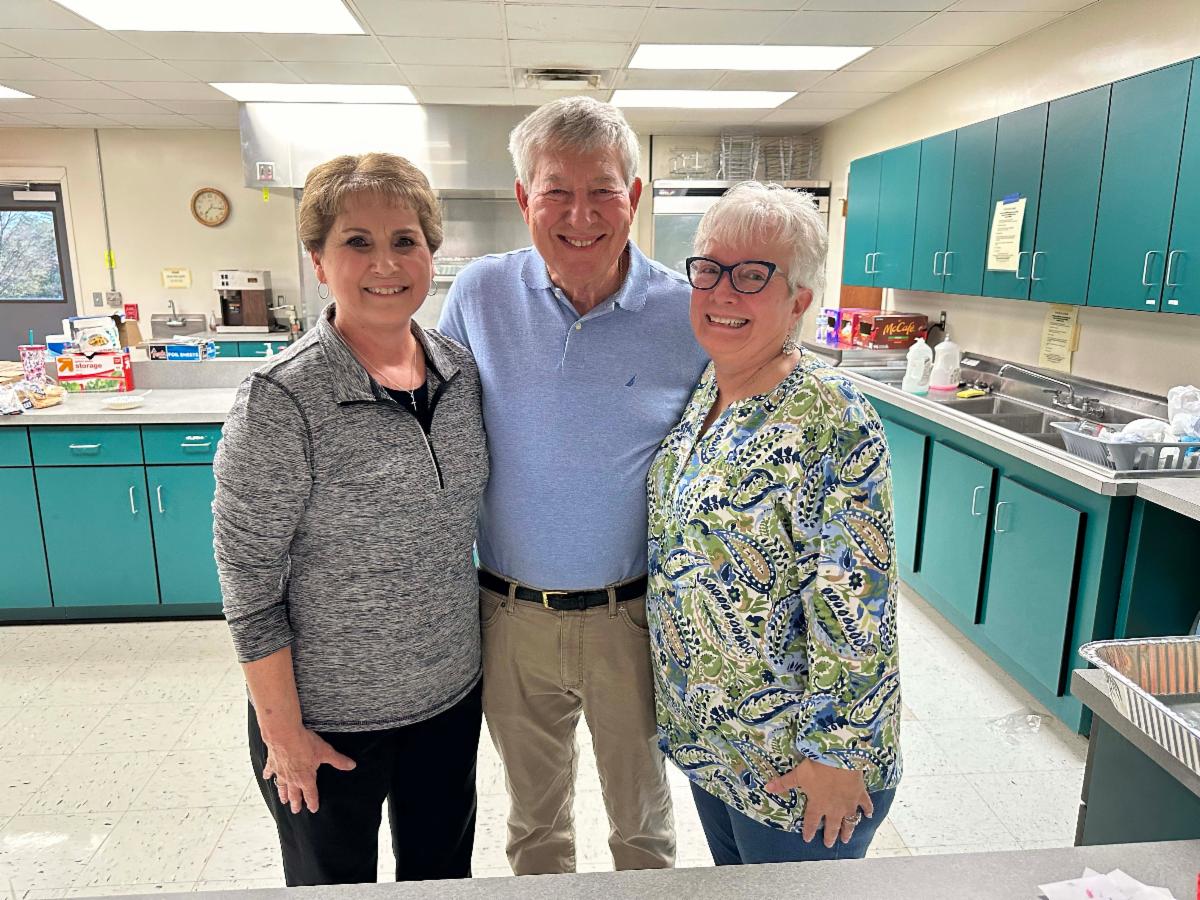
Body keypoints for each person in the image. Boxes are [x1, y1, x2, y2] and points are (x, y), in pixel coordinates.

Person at [438, 96, 708, 875]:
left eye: (603, 191)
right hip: (511, 615)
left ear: (636, 195)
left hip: (635, 616)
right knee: (535, 826)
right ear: (524, 197)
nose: (581, 215)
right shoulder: (478, 295)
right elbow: (439, 433)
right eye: (557, 191)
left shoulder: (687, 312)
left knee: (643, 826)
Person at [213, 152, 489, 886]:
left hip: (448, 702)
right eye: (357, 242)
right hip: (325, 723)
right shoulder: (281, 399)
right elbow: (248, 582)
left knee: (442, 880)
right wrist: (283, 733)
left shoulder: (460, 375)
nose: (385, 264)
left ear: (430, 253)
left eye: (405, 240)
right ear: (319, 260)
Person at [646, 181, 902, 865]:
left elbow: (858, 600)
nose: (723, 292)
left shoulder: (831, 413)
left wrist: (838, 756)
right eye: (710, 269)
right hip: (720, 751)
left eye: (754, 275)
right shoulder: (709, 387)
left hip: (803, 772)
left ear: (798, 300)